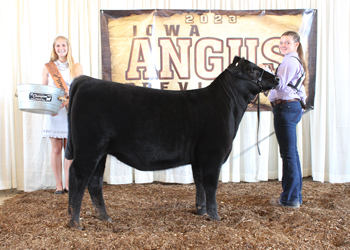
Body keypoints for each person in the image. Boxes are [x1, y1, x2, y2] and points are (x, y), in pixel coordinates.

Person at [268, 31, 307, 208]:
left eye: (287, 43)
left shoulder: (290, 60)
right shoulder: (293, 60)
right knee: (292, 154)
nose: (283, 45)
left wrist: (266, 75)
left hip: (285, 108)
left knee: (289, 155)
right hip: (290, 107)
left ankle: (290, 199)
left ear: (296, 45)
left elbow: (279, 84)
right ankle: (294, 197)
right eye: (282, 42)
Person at [42, 35, 83, 194]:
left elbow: (80, 91)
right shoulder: (48, 67)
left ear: (68, 47)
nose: (61, 48)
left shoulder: (77, 67)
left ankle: (68, 184)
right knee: (56, 149)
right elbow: (44, 91)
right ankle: (58, 185)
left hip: (70, 111)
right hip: (54, 112)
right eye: (57, 46)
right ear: (54, 48)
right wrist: (51, 107)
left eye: (63, 45)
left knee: (69, 149)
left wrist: (67, 102)